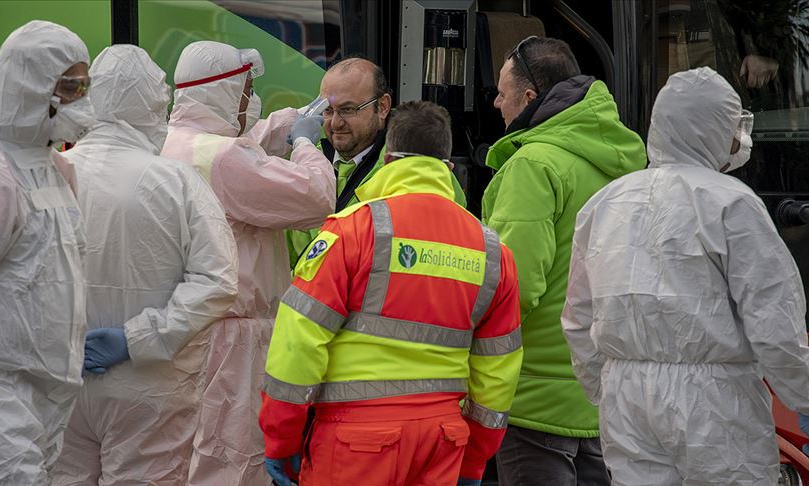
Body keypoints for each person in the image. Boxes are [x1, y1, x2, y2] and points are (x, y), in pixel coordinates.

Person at [562, 66, 809, 485]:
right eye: (735, 125)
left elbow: (578, 318)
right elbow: (774, 326)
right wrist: (808, 394)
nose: (739, 138)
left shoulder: (605, 204)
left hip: (627, 400)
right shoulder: (732, 204)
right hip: (716, 402)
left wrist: (606, 387)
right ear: (713, 128)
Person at [259, 101, 523, 486]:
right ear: (448, 169)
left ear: (388, 161)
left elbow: (298, 341)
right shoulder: (493, 252)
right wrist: (475, 456)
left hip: (355, 442)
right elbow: (498, 371)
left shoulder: (352, 232)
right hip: (442, 442)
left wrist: (281, 437)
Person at [50, 44, 239, 485]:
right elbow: (217, 282)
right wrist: (135, 339)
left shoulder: (51, 173)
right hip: (149, 387)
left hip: (61, 377)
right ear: (152, 105)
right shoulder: (176, 183)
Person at [161, 40, 336, 486]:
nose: (250, 100)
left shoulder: (173, 142)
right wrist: (305, 145)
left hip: (188, 330)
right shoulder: (225, 160)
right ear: (220, 91)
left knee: (185, 455)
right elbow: (316, 197)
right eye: (244, 90)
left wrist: (287, 122)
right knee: (233, 458)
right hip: (235, 341)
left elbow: (242, 148)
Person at [481, 36, 646, 485]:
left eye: (501, 91)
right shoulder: (628, 161)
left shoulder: (532, 166)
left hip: (535, 400)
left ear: (529, 97)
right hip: (603, 392)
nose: (495, 103)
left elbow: (514, 287)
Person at [0, 20, 93, 484]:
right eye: (69, 86)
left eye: (83, 85)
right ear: (31, 87)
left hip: (49, 391)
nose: (79, 99)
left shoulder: (56, 169)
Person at [286, 57, 467, 265]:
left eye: (347, 109)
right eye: (328, 110)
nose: (335, 122)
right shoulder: (302, 165)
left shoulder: (419, 174)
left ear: (382, 107)